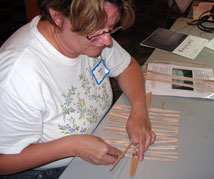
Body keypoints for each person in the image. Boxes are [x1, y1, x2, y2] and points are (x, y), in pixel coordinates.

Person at [0, 0, 156, 178]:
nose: (106, 40)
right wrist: (72, 146)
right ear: (57, 16)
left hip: (96, 138)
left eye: (111, 28)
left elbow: (127, 67)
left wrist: (139, 110)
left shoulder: (90, 33)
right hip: (44, 171)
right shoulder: (17, 75)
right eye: (95, 30)